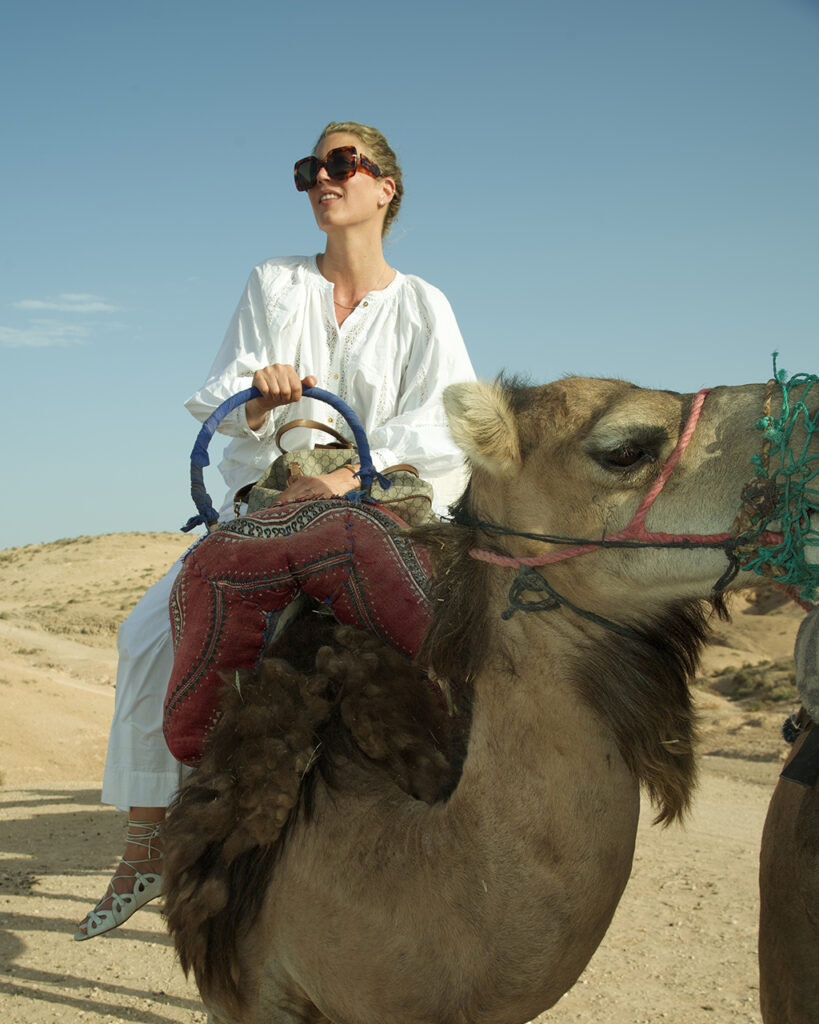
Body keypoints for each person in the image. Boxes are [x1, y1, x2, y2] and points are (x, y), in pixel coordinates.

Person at [75, 121, 476, 939]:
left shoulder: (421, 304)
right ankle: (147, 841)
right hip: (269, 504)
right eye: (309, 169)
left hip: (376, 506)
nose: (322, 179)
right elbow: (226, 399)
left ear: (384, 187)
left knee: (462, 638)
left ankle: (474, 817)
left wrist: (347, 477)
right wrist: (261, 399)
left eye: (341, 164)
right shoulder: (275, 281)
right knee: (145, 635)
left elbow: (443, 425)